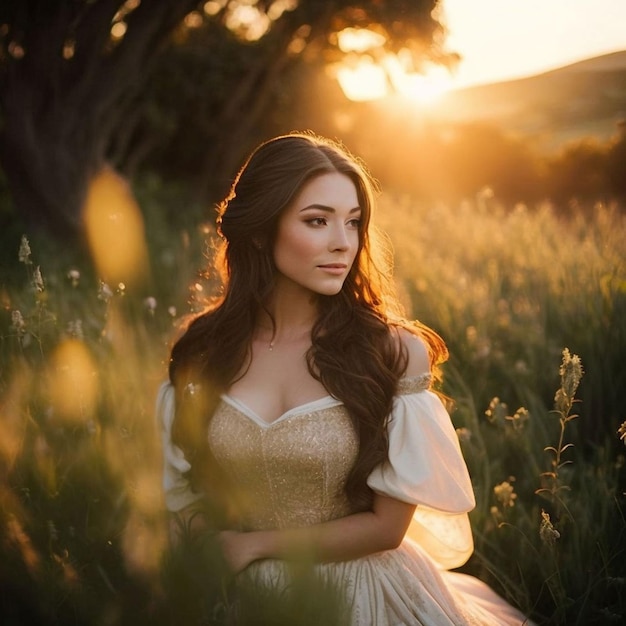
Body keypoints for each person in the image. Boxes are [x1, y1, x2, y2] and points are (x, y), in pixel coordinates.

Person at [157, 132, 533, 625]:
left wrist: (252, 548)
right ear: (259, 231)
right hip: (238, 593)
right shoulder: (204, 351)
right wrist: (210, 550)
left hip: (359, 591)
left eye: (353, 223)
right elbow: (184, 488)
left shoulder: (392, 353)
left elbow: (387, 528)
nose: (343, 242)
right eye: (317, 221)